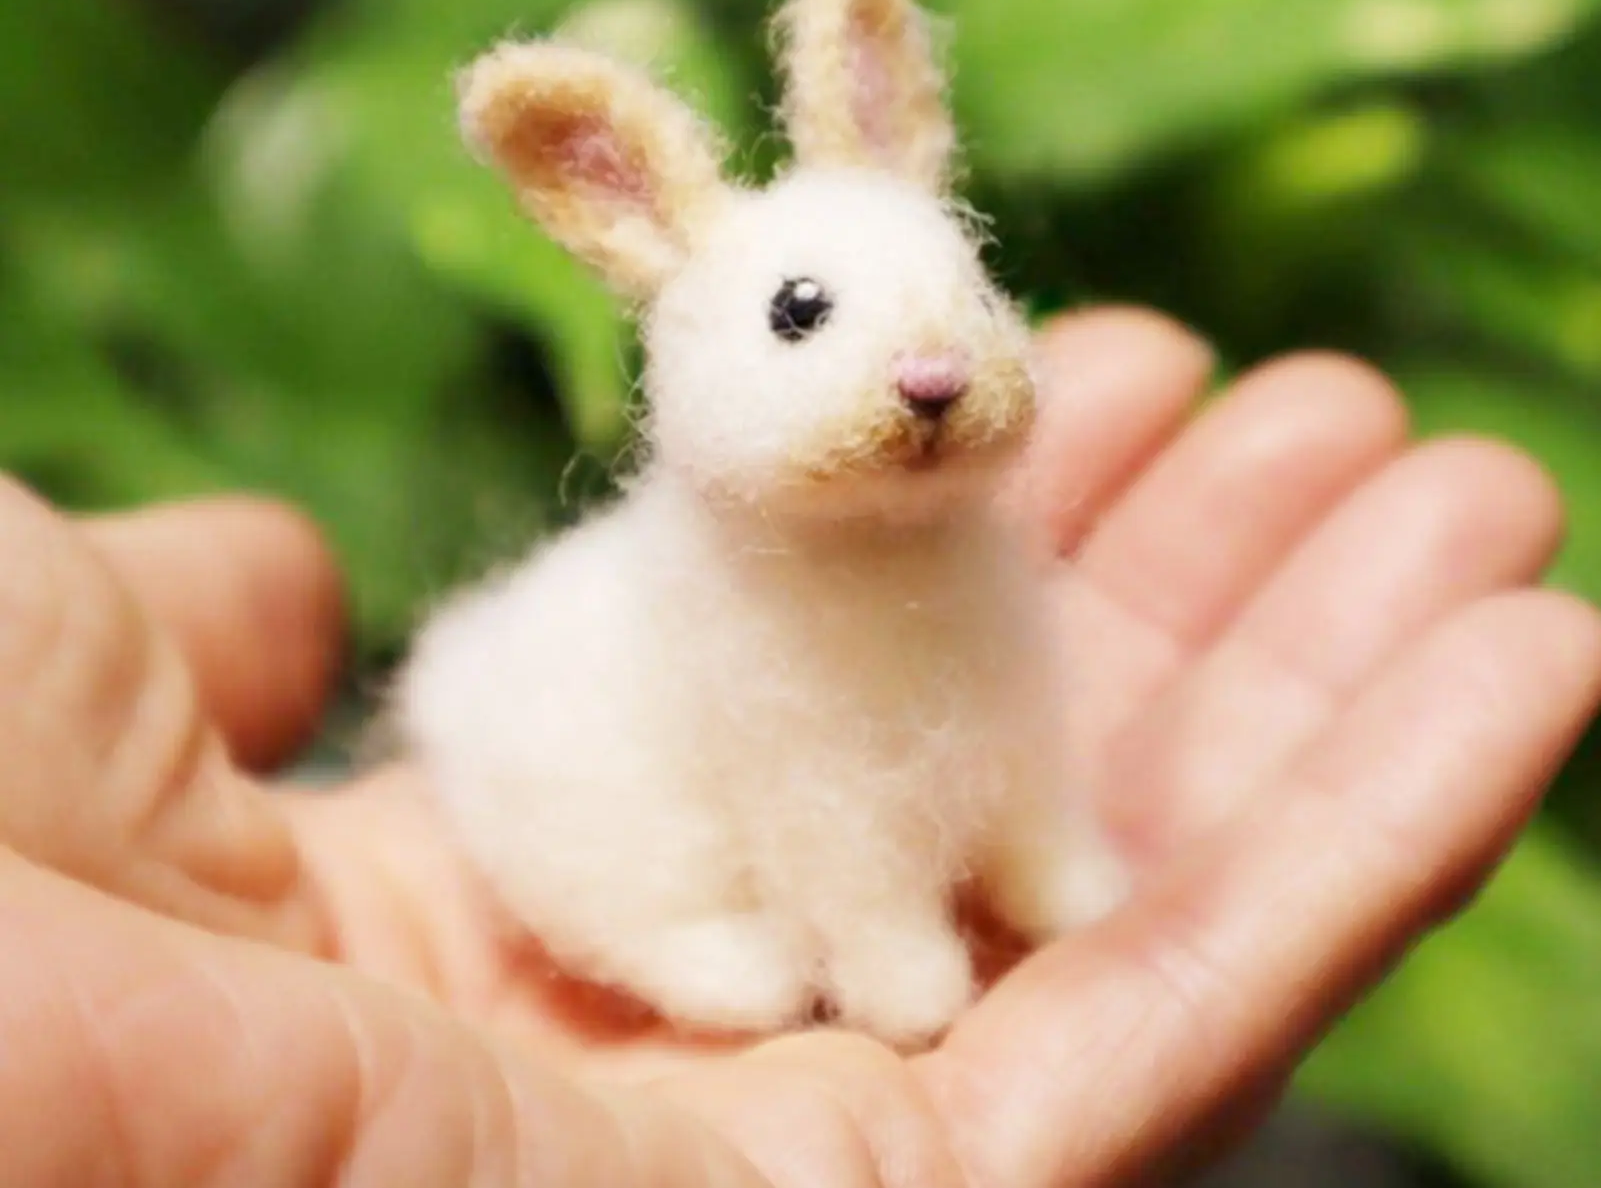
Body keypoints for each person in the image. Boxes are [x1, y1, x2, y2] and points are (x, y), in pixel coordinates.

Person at [1, 308, 1596, 1188]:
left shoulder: (974, 546)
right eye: (804, 318)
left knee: (992, 713)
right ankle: (687, 931)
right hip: (599, 795)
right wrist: (893, 940)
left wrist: (1042, 843)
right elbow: (814, 787)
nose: (923, 373)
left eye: (949, 306)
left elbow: (1012, 714)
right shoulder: (707, 602)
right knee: (770, 809)